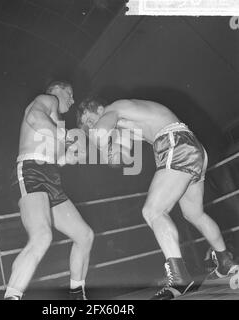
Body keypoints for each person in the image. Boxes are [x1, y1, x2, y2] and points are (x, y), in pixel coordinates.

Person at [77, 97, 238, 300]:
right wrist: (110, 150)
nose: (91, 126)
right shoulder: (124, 122)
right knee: (193, 213)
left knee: (153, 211)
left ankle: (180, 278)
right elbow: (121, 158)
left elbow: (99, 135)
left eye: (90, 120)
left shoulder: (113, 108)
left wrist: (93, 142)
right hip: (188, 148)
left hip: (175, 145)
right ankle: (225, 262)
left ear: (99, 109)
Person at [5, 81, 94, 300]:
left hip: (50, 176)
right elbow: (34, 118)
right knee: (41, 236)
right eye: (70, 94)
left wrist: (69, 157)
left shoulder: (57, 122)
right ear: (57, 89)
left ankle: (77, 295)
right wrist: (66, 138)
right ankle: (11, 297)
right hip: (32, 172)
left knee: (84, 235)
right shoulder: (47, 100)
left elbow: (55, 158)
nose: (72, 100)